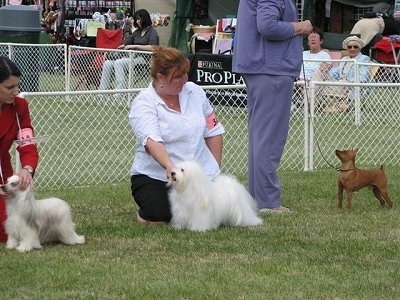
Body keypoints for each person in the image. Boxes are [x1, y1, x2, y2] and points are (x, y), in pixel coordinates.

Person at [128, 47, 225, 224]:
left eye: (185, 74)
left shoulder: (195, 91)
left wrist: (213, 172)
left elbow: (213, 131)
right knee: (162, 214)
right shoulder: (143, 103)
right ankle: (147, 214)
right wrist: (170, 167)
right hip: (158, 175)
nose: (185, 80)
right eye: (178, 76)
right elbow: (152, 141)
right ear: (160, 77)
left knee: (221, 211)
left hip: (200, 171)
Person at [232, 0, 313, 213]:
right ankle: (267, 200)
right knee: (270, 138)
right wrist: (300, 27)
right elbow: (268, 26)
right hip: (272, 68)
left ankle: (258, 198)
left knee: (260, 137)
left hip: (261, 67)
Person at [0, 56, 39, 242]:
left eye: (18, 86)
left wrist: (27, 169)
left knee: (8, 229)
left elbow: (28, 143)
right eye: (9, 87)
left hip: (3, 171)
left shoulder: (20, 106)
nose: (16, 92)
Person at [99, 9, 159, 92]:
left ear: (145, 18)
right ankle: (101, 94)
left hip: (144, 60)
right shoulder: (137, 32)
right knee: (107, 63)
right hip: (131, 57)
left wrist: (135, 46)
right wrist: (115, 50)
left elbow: (154, 48)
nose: (137, 21)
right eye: (136, 19)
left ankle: (119, 94)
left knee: (119, 63)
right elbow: (125, 44)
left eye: (139, 19)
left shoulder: (152, 32)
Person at [316, 36, 371, 112]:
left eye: (355, 47)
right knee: (320, 72)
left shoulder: (364, 59)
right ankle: (312, 102)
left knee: (319, 84)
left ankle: (315, 105)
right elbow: (335, 73)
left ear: (360, 48)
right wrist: (326, 71)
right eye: (350, 47)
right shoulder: (344, 59)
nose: (352, 49)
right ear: (347, 48)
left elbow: (363, 77)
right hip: (339, 85)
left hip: (351, 87)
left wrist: (348, 83)